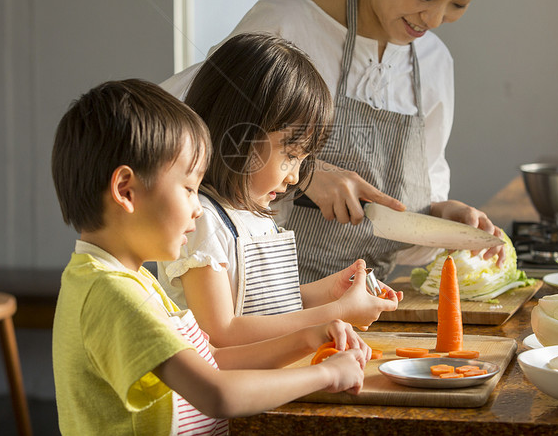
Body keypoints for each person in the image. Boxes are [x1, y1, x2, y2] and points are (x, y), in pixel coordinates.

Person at [162, 0, 504, 283]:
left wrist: (441, 221)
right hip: (255, 301)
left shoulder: (433, 63)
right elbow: (177, 138)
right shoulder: (285, 25)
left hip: (365, 306)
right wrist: (305, 174)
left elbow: (403, 225)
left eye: (459, 3)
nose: (434, 19)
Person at [51, 79, 368, 436]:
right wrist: (326, 374)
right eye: (188, 189)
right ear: (126, 191)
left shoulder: (127, 280)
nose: (198, 209)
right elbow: (217, 393)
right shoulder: (113, 297)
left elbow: (211, 362)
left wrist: (308, 338)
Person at [158, 33, 402, 347]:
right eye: (290, 155)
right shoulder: (203, 221)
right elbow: (222, 332)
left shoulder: (255, 216)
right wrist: (335, 312)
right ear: (238, 135)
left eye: (303, 160)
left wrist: (328, 293)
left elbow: (264, 308)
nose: (295, 176)